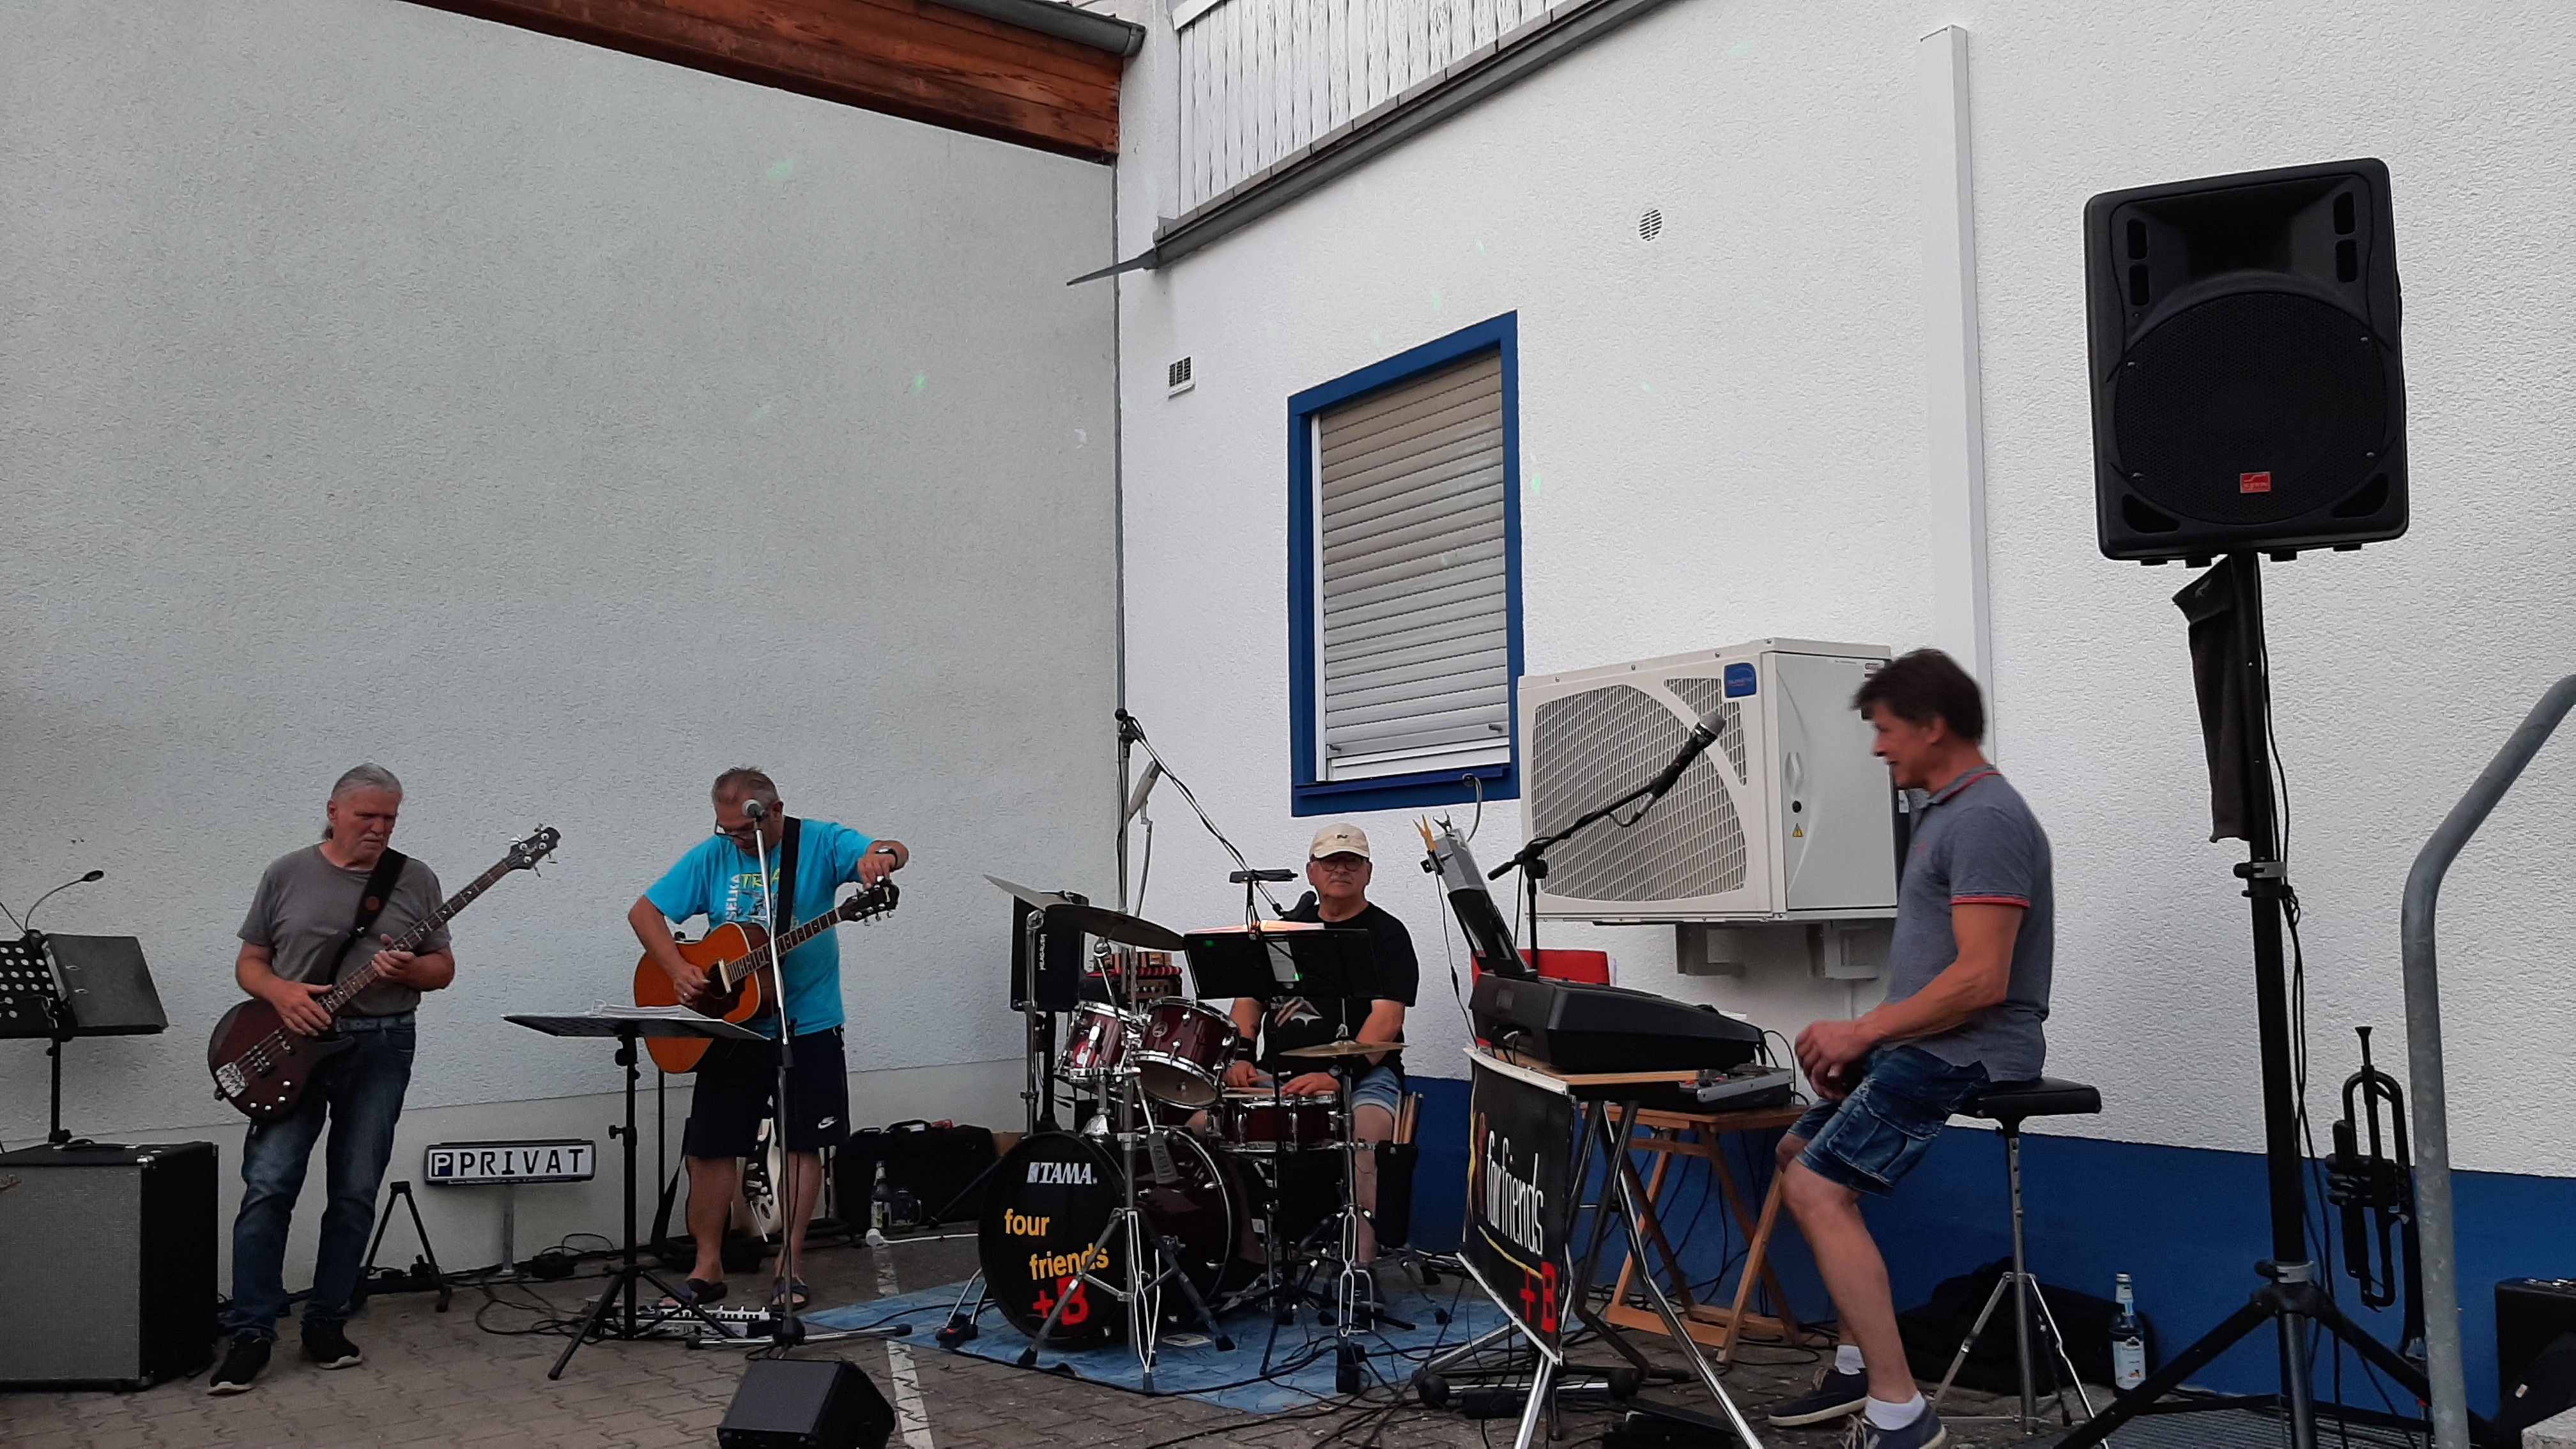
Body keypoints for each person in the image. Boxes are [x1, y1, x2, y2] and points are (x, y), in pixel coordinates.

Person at [1761, 649, 2054, 1449]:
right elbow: (1937, 973)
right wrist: (1867, 1047)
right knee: (1796, 1154)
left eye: (1888, 730)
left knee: (1819, 1188)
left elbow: (1983, 979)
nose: (1878, 747)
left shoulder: (1987, 818)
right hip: (1933, 1042)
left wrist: (1863, 1031)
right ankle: (1857, 1365)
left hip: (1975, 1050)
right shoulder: (1943, 813)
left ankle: (1901, 1414)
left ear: (1933, 727)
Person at [210, 765, 457, 1395]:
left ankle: (326, 1322)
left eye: (390, 817)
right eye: (366, 815)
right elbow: (251, 962)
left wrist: (409, 971)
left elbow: (443, 969)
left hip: (382, 1044)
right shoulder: (286, 873)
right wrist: (281, 993)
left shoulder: (415, 878)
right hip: (292, 1049)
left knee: (355, 1189)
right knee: (269, 1186)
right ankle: (251, 1331)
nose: (379, 828)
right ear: (333, 811)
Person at [627, 767, 906, 1311]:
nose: (733, 839)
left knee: (802, 1145)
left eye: (742, 830)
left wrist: (883, 858)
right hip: (728, 1030)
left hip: (807, 1023)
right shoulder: (714, 856)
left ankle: (789, 1265)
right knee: (709, 1149)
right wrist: (679, 970)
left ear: (774, 811)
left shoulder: (818, 842)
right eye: (725, 829)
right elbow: (644, 912)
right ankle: (707, 1267)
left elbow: (890, 848)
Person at [1220, 822, 1418, 1260]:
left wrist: (1337, 1074)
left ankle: (1360, 1265)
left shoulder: (1387, 935)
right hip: (1279, 1074)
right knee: (1209, 1124)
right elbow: (1249, 1002)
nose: (1340, 870)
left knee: (1367, 1131)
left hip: (1364, 1075)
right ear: (1311, 872)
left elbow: (1386, 1021)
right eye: (1330, 862)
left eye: (1352, 862)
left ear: (1368, 872)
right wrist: (1239, 1056)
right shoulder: (1283, 932)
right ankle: (1250, 1255)